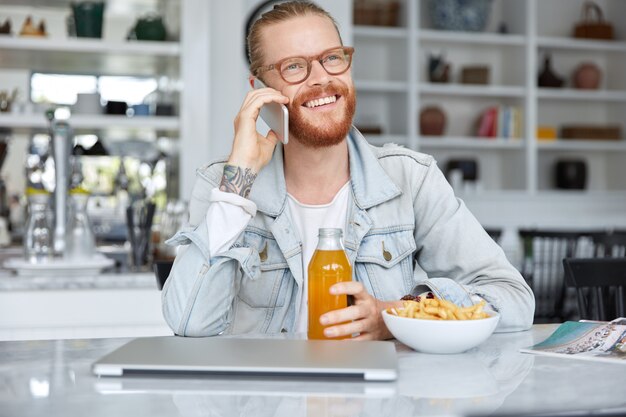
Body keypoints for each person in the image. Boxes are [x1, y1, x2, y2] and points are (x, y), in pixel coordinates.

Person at [162, 1, 534, 339]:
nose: (321, 78)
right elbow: (189, 322)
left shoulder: (410, 179)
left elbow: (514, 301)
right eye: (294, 67)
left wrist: (396, 317)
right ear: (260, 89)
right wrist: (238, 178)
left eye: (332, 58)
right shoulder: (223, 184)